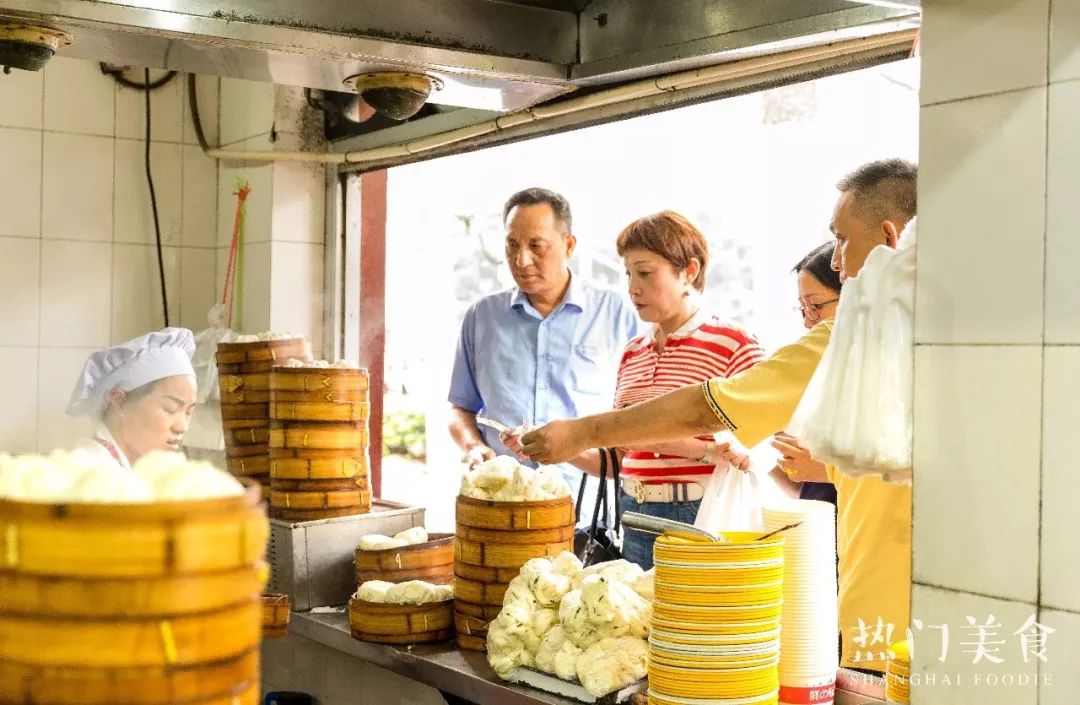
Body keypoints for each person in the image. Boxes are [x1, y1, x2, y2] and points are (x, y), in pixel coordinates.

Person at [521, 159, 917, 672]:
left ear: (890, 236)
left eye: (842, 241)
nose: (837, 263)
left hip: (879, 622)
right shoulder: (970, 329)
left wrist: (581, 430)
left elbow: (708, 406)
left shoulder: (853, 336)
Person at [566, 211, 765, 569]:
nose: (632, 287)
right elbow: (621, 460)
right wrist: (560, 445)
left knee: (692, 622)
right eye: (628, 274)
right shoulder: (632, 352)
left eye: (645, 272)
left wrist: (668, 441)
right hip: (631, 515)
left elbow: (756, 453)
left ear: (688, 271)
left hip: (696, 518)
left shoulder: (735, 344)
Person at [448, 187, 641, 517]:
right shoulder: (482, 317)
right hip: (499, 509)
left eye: (536, 245)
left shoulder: (617, 314)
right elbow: (459, 409)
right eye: (512, 245)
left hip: (589, 512)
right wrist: (474, 447)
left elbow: (642, 417)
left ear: (569, 245)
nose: (521, 260)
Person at [770, 242, 842, 506]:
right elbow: (806, 490)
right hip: (821, 532)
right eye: (802, 308)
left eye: (815, 306)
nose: (807, 320)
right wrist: (762, 456)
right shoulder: (817, 375)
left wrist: (826, 470)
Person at [66, 328, 198, 469]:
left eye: (188, 412)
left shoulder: (130, 469)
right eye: (170, 409)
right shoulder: (93, 468)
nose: (182, 427)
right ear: (119, 401)